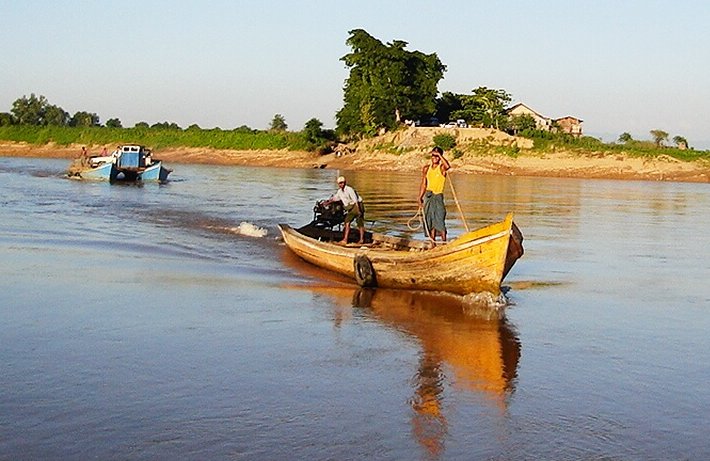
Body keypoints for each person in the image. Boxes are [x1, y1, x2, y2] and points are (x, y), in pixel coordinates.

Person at [418, 146, 451, 242]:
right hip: (428, 196)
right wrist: (420, 197)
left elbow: (447, 166)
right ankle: (433, 242)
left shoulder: (441, 168)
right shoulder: (426, 169)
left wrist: (440, 156)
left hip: (438, 196)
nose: (434, 158)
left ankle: (444, 242)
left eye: (436, 156)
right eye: (433, 156)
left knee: (440, 219)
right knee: (429, 219)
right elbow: (424, 184)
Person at [323, 176, 365, 244]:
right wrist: (327, 202)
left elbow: (355, 200)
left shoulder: (349, 189)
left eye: (342, 183)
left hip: (357, 205)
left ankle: (357, 240)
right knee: (348, 222)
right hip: (351, 207)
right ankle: (347, 239)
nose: (341, 185)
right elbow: (335, 198)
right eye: (339, 183)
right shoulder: (340, 192)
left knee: (357, 223)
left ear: (345, 183)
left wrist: (359, 211)